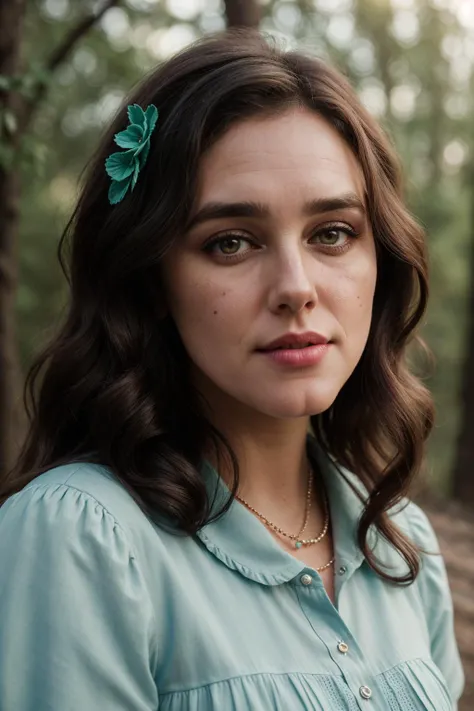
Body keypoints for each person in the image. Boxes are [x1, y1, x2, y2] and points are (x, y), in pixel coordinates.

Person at [0, 29, 465, 711]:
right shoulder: (82, 538)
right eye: (231, 242)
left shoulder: (399, 539)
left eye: (331, 232)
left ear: (380, 259)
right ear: (152, 281)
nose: (295, 286)